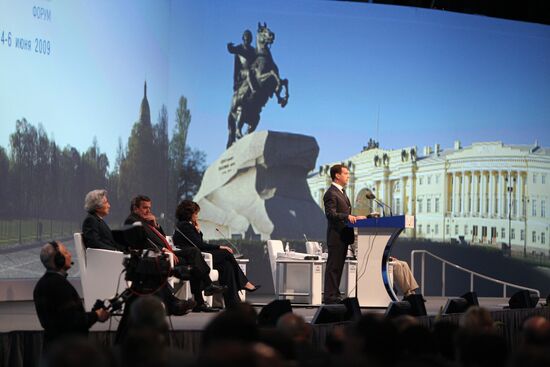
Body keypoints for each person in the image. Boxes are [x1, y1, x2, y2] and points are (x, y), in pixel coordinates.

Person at [124, 195, 226, 313]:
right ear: (135, 208)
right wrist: (161, 250)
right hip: (160, 256)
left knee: (194, 253)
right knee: (194, 262)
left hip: (168, 252)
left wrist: (155, 224)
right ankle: (202, 297)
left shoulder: (145, 221)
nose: (148, 211)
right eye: (145, 208)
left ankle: (203, 296)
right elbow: (140, 242)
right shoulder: (132, 221)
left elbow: (160, 237)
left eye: (149, 208)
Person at [173, 200, 260, 308]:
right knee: (226, 253)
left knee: (226, 266)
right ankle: (244, 283)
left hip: (200, 256)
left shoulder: (187, 225)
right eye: (195, 213)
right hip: (197, 259)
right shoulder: (185, 226)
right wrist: (219, 246)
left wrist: (197, 230)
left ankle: (233, 303)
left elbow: (197, 243)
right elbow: (199, 245)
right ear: (189, 214)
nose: (197, 216)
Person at [33, 241, 110, 349]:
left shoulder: (41, 285)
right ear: (58, 260)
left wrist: (93, 314)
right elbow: (72, 322)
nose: (70, 255)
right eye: (66, 253)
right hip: (68, 353)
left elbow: (63, 319)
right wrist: (96, 315)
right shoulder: (59, 285)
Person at [323, 164, 366, 304]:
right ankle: (330, 297)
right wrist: (347, 217)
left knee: (338, 267)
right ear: (337, 175)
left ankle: (335, 295)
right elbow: (330, 214)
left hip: (343, 236)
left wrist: (354, 217)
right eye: (346, 173)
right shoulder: (331, 193)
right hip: (336, 236)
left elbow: (343, 213)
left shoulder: (341, 192)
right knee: (333, 267)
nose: (348, 176)